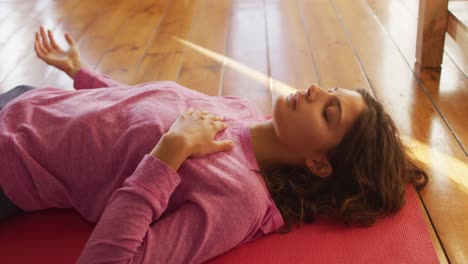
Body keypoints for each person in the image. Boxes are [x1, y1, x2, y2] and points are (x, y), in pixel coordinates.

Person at [0, 26, 428, 263]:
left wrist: (167, 156)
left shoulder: (239, 196)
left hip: (11, 165)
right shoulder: (243, 110)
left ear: (318, 163)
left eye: (328, 112)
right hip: (29, 99)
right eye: (330, 88)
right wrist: (83, 75)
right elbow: (139, 109)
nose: (314, 89)